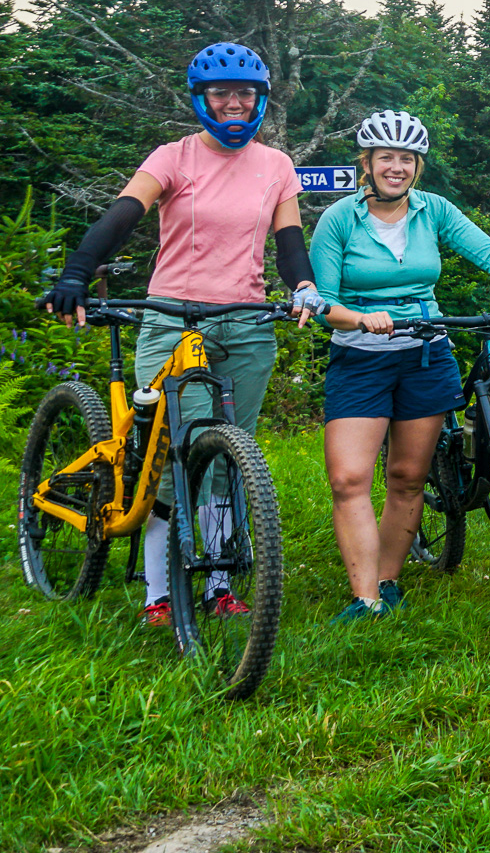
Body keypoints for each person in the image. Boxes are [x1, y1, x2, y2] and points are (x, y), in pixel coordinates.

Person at [40, 42, 322, 626]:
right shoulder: (174, 156)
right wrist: (75, 271)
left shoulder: (277, 165)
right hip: (173, 318)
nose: (235, 104)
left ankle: (219, 583)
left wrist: (302, 289)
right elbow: (123, 214)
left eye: (246, 93)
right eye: (222, 93)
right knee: (178, 453)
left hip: (245, 323)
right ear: (201, 99)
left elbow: (289, 240)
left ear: (261, 100)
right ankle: (159, 594)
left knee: (225, 458)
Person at [312, 111, 490, 621]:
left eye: (407, 159)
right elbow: (322, 302)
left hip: (425, 354)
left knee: (407, 475)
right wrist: (359, 319)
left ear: (417, 166)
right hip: (361, 359)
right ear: (368, 163)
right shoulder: (339, 219)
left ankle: (387, 584)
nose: (397, 167)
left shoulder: (433, 211)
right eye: (387, 158)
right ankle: (363, 600)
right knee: (349, 478)